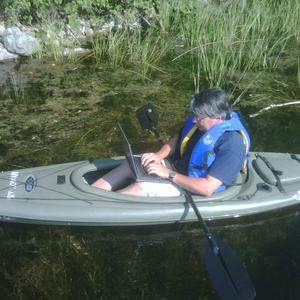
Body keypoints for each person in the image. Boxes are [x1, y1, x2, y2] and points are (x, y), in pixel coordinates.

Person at [92, 87, 250, 197]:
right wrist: (159, 156)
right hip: (177, 172)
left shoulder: (232, 144)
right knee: (133, 163)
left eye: (199, 117)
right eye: (194, 115)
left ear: (216, 118)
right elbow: (179, 139)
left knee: (139, 187)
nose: (194, 120)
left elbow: (207, 188)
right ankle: (92, 193)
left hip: (193, 188)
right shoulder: (202, 125)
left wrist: (168, 174)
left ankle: (99, 206)